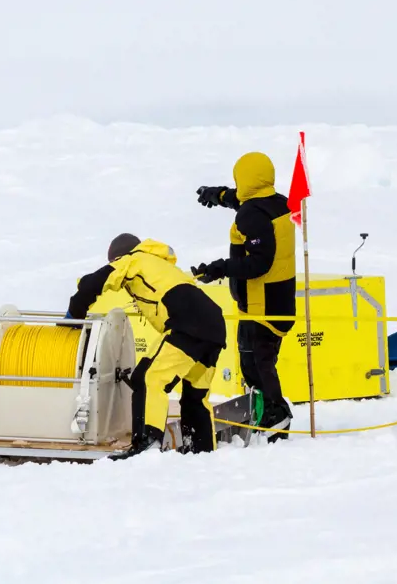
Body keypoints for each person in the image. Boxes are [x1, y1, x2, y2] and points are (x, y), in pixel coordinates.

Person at [66, 234, 227, 459]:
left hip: (187, 325)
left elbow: (93, 282)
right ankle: (202, 451)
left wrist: (73, 315)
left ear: (119, 257)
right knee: (195, 395)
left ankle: (146, 444)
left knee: (148, 378)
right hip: (214, 326)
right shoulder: (160, 265)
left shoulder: (133, 260)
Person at [192, 151, 296, 442]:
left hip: (262, 303)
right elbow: (244, 201)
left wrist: (219, 268)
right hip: (277, 299)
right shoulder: (277, 202)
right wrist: (218, 195)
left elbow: (260, 262)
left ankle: (277, 415)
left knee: (258, 362)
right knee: (255, 361)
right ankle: (262, 411)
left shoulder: (251, 214)